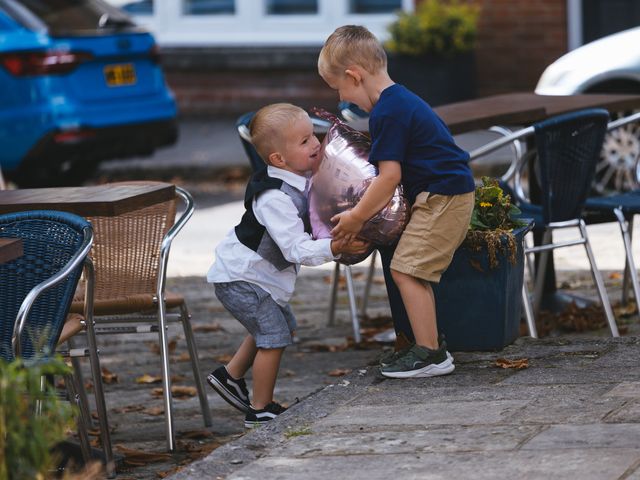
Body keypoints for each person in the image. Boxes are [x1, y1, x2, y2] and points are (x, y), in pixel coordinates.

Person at [318, 25, 475, 379]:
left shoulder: (387, 113)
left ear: (353, 75)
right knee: (412, 270)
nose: (343, 99)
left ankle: (431, 354)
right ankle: (430, 345)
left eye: (340, 90)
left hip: (444, 197)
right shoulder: (399, 100)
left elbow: (389, 177)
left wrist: (357, 217)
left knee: (406, 270)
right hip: (445, 193)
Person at [206, 103, 369, 427]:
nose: (316, 144)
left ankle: (230, 375)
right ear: (278, 160)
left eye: (313, 136)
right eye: (305, 141)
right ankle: (261, 407)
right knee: (274, 335)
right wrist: (334, 247)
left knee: (280, 324)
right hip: (241, 278)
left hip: (258, 278)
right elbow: (295, 249)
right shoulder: (274, 198)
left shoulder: (299, 179)